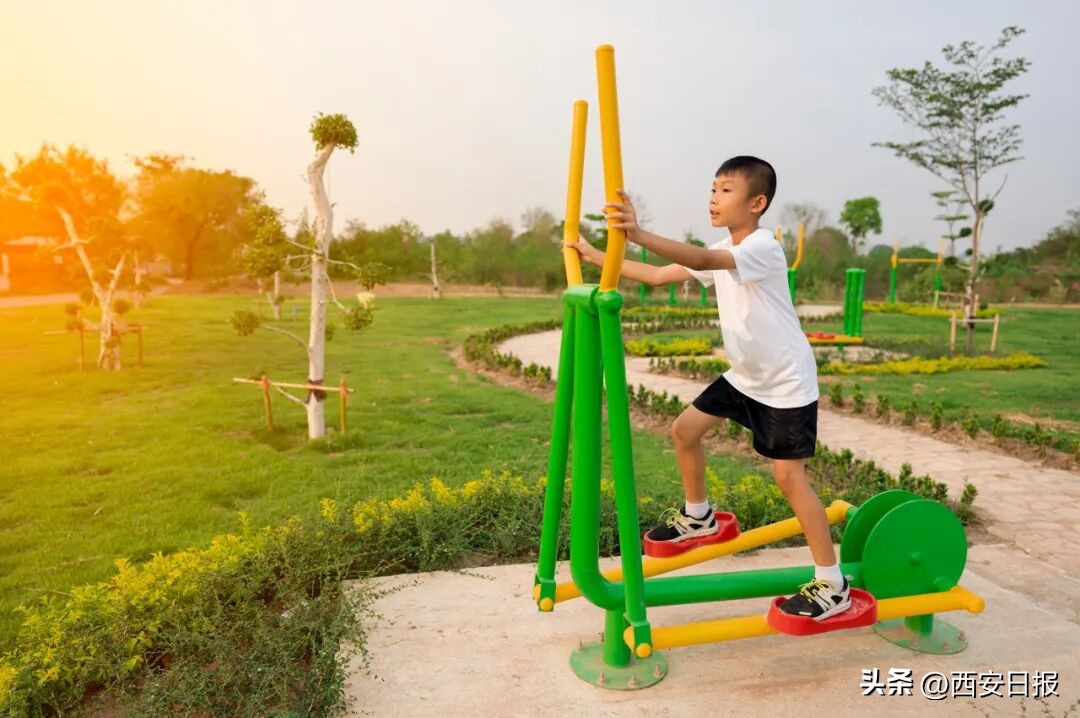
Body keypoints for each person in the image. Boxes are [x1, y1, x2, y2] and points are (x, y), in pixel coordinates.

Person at [569, 156, 850, 621]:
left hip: (784, 384)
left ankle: (833, 584)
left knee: (788, 478)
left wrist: (637, 234)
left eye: (725, 190)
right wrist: (599, 257)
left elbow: (700, 258)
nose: (713, 198)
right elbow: (660, 276)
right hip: (745, 377)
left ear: (757, 203)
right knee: (683, 432)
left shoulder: (762, 248)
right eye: (713, 189)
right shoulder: (727, 248)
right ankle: (699, 516)